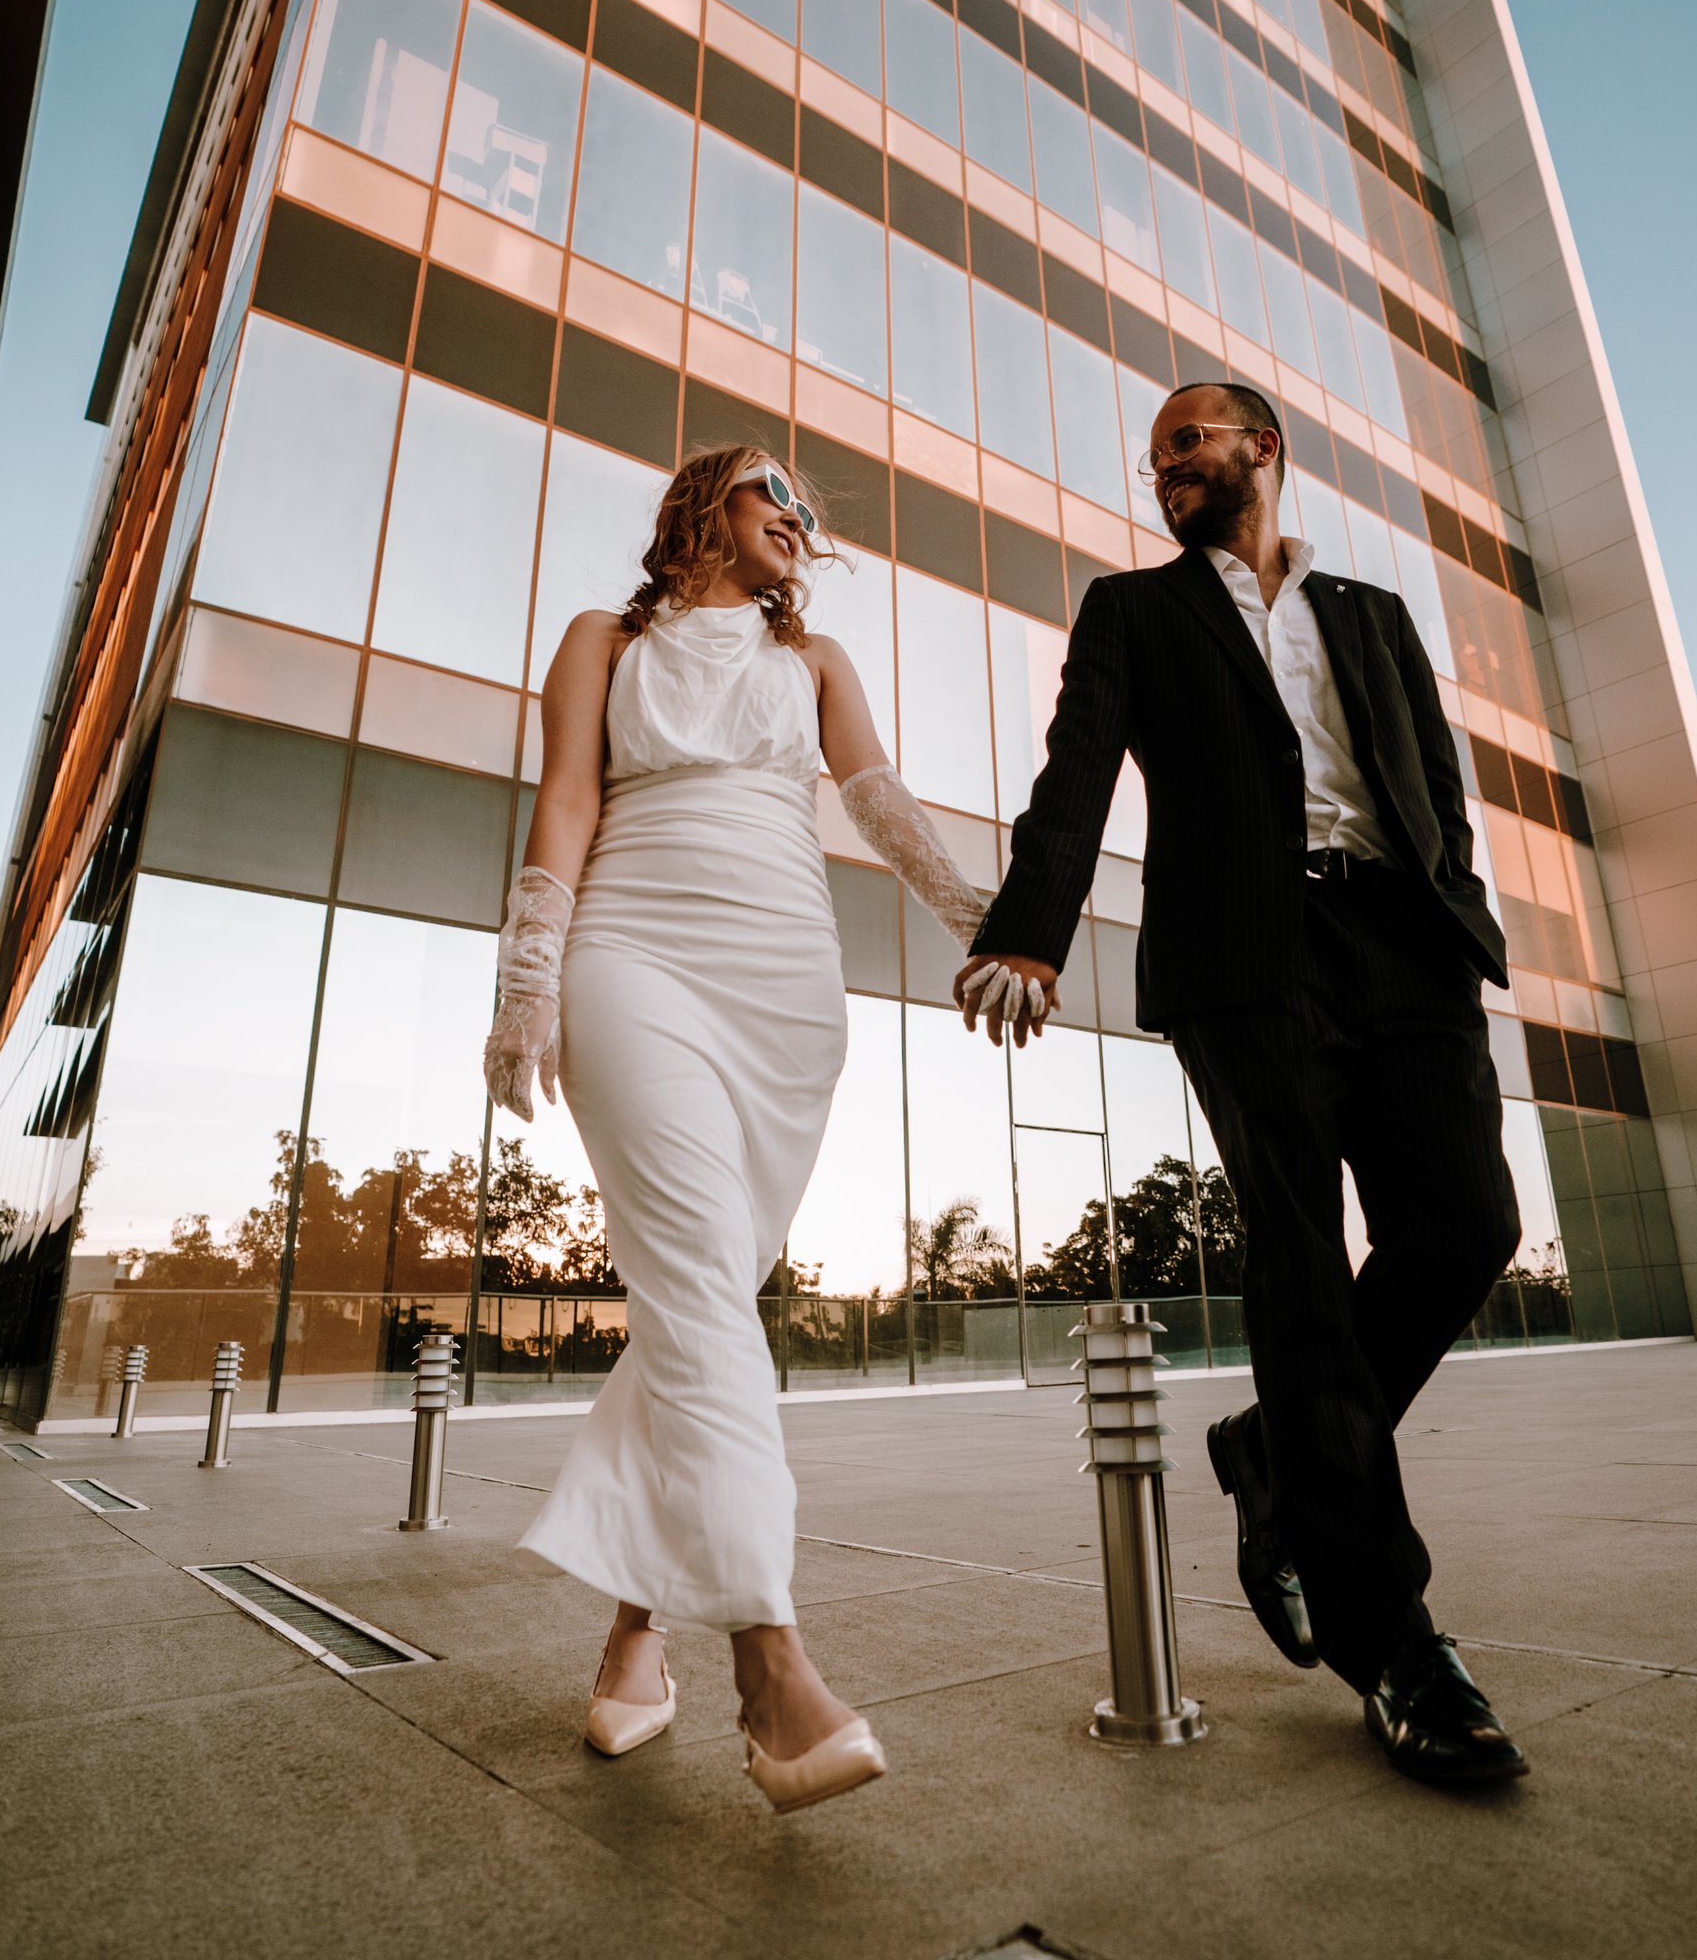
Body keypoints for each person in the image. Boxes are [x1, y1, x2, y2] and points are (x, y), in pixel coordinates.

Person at [956, 382, 1529, 1786]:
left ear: (1262, 449)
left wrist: (1448, 896)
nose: (1167, 468)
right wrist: (1030, 929)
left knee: (1467, 1226)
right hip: (1247, 961)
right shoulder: (1134, 612)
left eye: (1190, 443)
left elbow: (1431, 780)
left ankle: (1277, 1452)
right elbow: (1076, 769)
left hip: (1403, 942)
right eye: (1155, 458)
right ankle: (1390, 1640)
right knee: (1301, 1268)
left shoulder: (1375, 615)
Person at [483, 445, 1027, 1813]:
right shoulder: (603, 639)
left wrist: (995, 927)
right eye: (776, 491)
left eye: (812, 509)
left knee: (698, 1304)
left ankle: (633, 1630)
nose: (800, 516)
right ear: (705, 506)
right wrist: (529, 980)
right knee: (702, 1303)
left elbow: (888, 816)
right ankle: (770, 1665)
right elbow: (566, 797)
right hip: (633, 959)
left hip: (787, 992)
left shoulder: (822, 660)